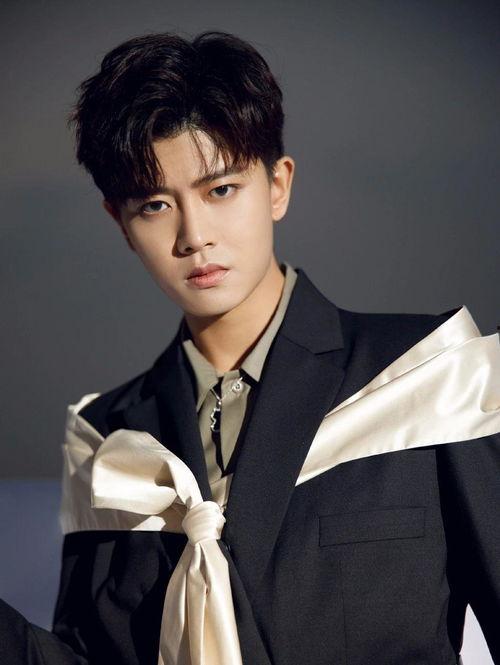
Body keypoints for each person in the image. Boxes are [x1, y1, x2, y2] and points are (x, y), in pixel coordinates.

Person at [1, 29, 499, 665]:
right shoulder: (107, 441)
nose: (194, 235)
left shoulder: (429, 374)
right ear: (120, 224)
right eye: (154, 205)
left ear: (277, 185)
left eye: (220, 190)